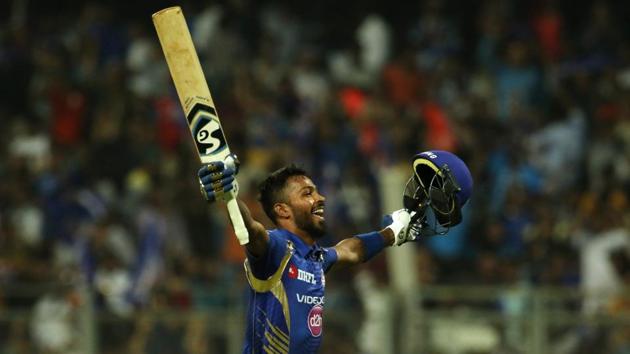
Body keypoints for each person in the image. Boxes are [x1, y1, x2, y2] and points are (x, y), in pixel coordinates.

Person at [198, 150, 472, 353]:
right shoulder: (276, 248)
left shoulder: (315, 258)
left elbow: (351, 250)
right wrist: (230, 197)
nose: (320, 198)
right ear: (282, 210)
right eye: (307, 193)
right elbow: (253, 231)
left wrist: (392, 232)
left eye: (316, 192)